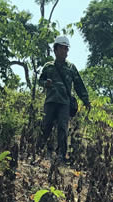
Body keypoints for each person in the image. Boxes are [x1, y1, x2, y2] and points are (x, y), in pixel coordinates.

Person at [37, 35, 90, 164]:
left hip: (64, 104)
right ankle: (39, 151)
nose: (64, 51)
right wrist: (45, 83)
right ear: (55, 50)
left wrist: (86, 100)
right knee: (46, 126)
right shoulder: (48, 66)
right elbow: (40, 80)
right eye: (61, 48)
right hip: (50, 101)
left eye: (66, 49)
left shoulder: (71, 68)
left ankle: (61, 155)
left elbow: (79, 85)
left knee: (62, 128)